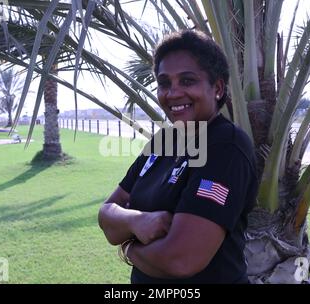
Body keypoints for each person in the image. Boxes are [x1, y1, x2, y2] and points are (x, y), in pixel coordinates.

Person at [98, 30, 258, 283]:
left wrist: (129, 247)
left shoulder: (226, 147)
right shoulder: (163, 141)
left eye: (187, 81)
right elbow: (106, 214)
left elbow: (181, 259)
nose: (172, 93)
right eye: (164, 83)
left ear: (217, 88)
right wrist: (137, 221)